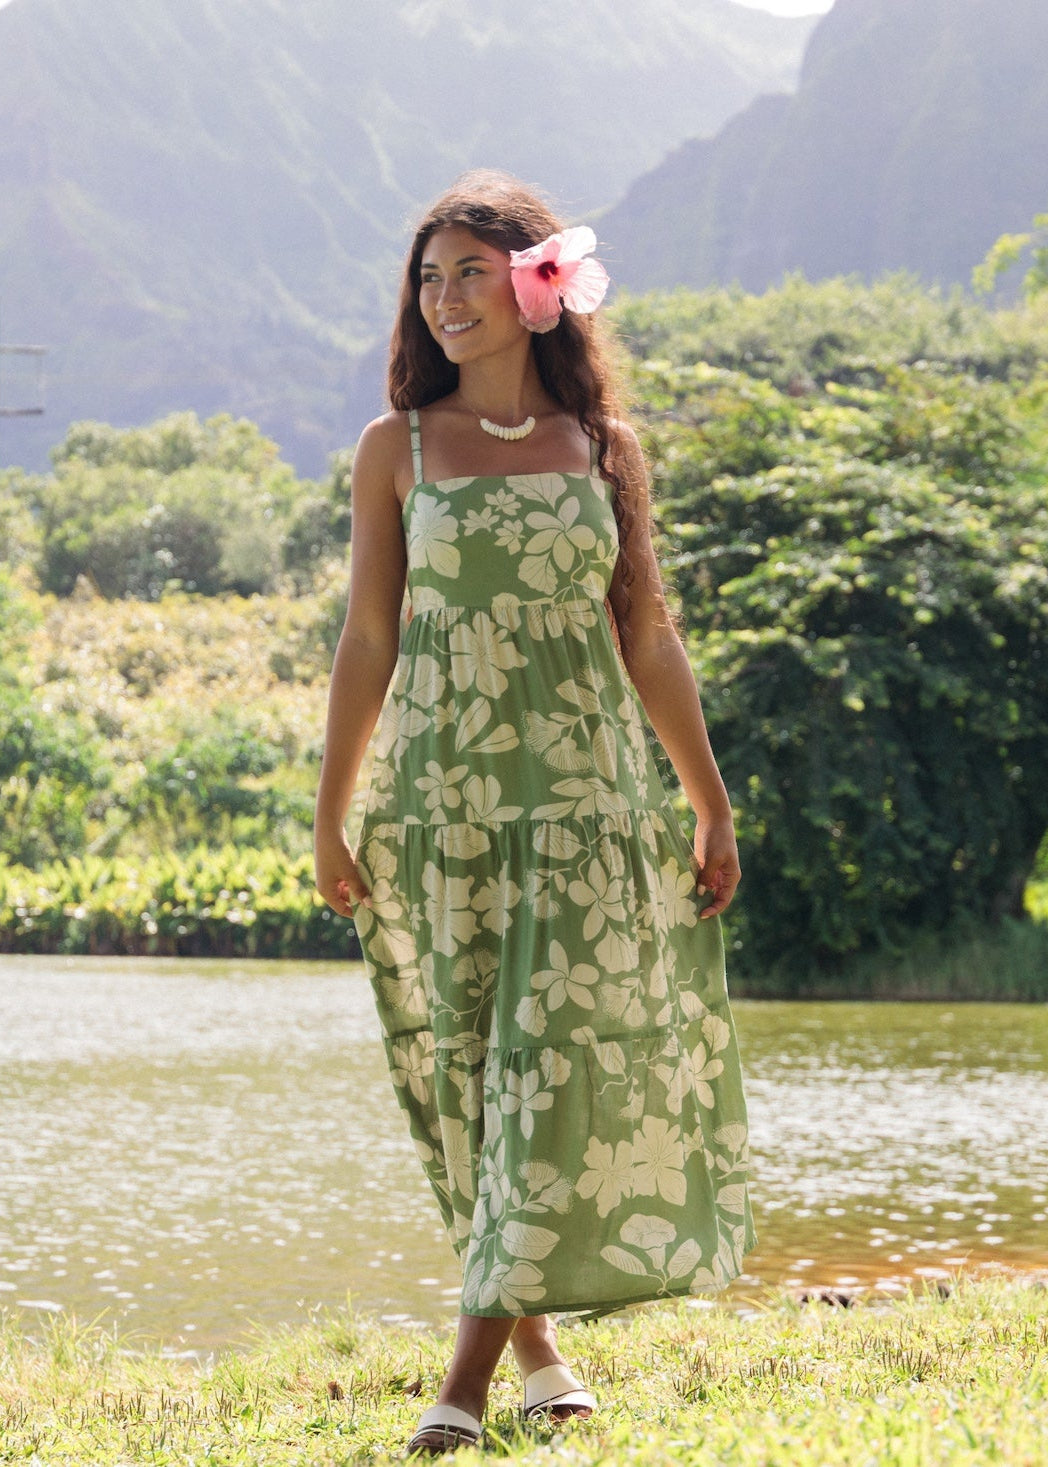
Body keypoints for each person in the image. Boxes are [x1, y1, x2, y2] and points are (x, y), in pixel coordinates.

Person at [314, 170, 755, 1456]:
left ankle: (461, 1381)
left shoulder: (603, 448)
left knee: (553, 1062)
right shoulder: (396, 449)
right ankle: (540, 1356)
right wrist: (332, 813)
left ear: (535, 286)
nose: (445, 297)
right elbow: (368, 638)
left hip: (585, 803)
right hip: (442, 801)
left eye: (470, 272)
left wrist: (709, 803)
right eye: (428, 277)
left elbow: (647, 635)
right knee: (474, 1075)